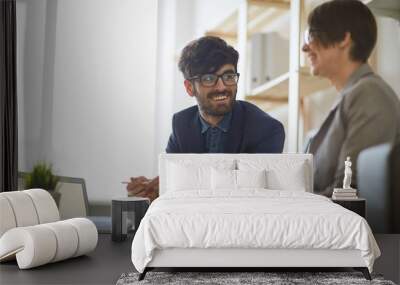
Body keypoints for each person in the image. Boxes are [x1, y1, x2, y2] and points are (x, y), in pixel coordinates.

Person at [127, 36, 285, 201]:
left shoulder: (266, 130)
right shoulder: (182, 125)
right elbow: (172, 182)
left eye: (229, 76)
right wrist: (152, 190)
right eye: (209, 78)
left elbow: (248, 194)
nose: (222, 86)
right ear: (189, 88)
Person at [303, 0, 400, 196]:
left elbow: (348, 192)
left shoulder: (369, 94)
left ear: (344, 39)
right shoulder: (350, 96)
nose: (305, 48)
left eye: (311, 35)